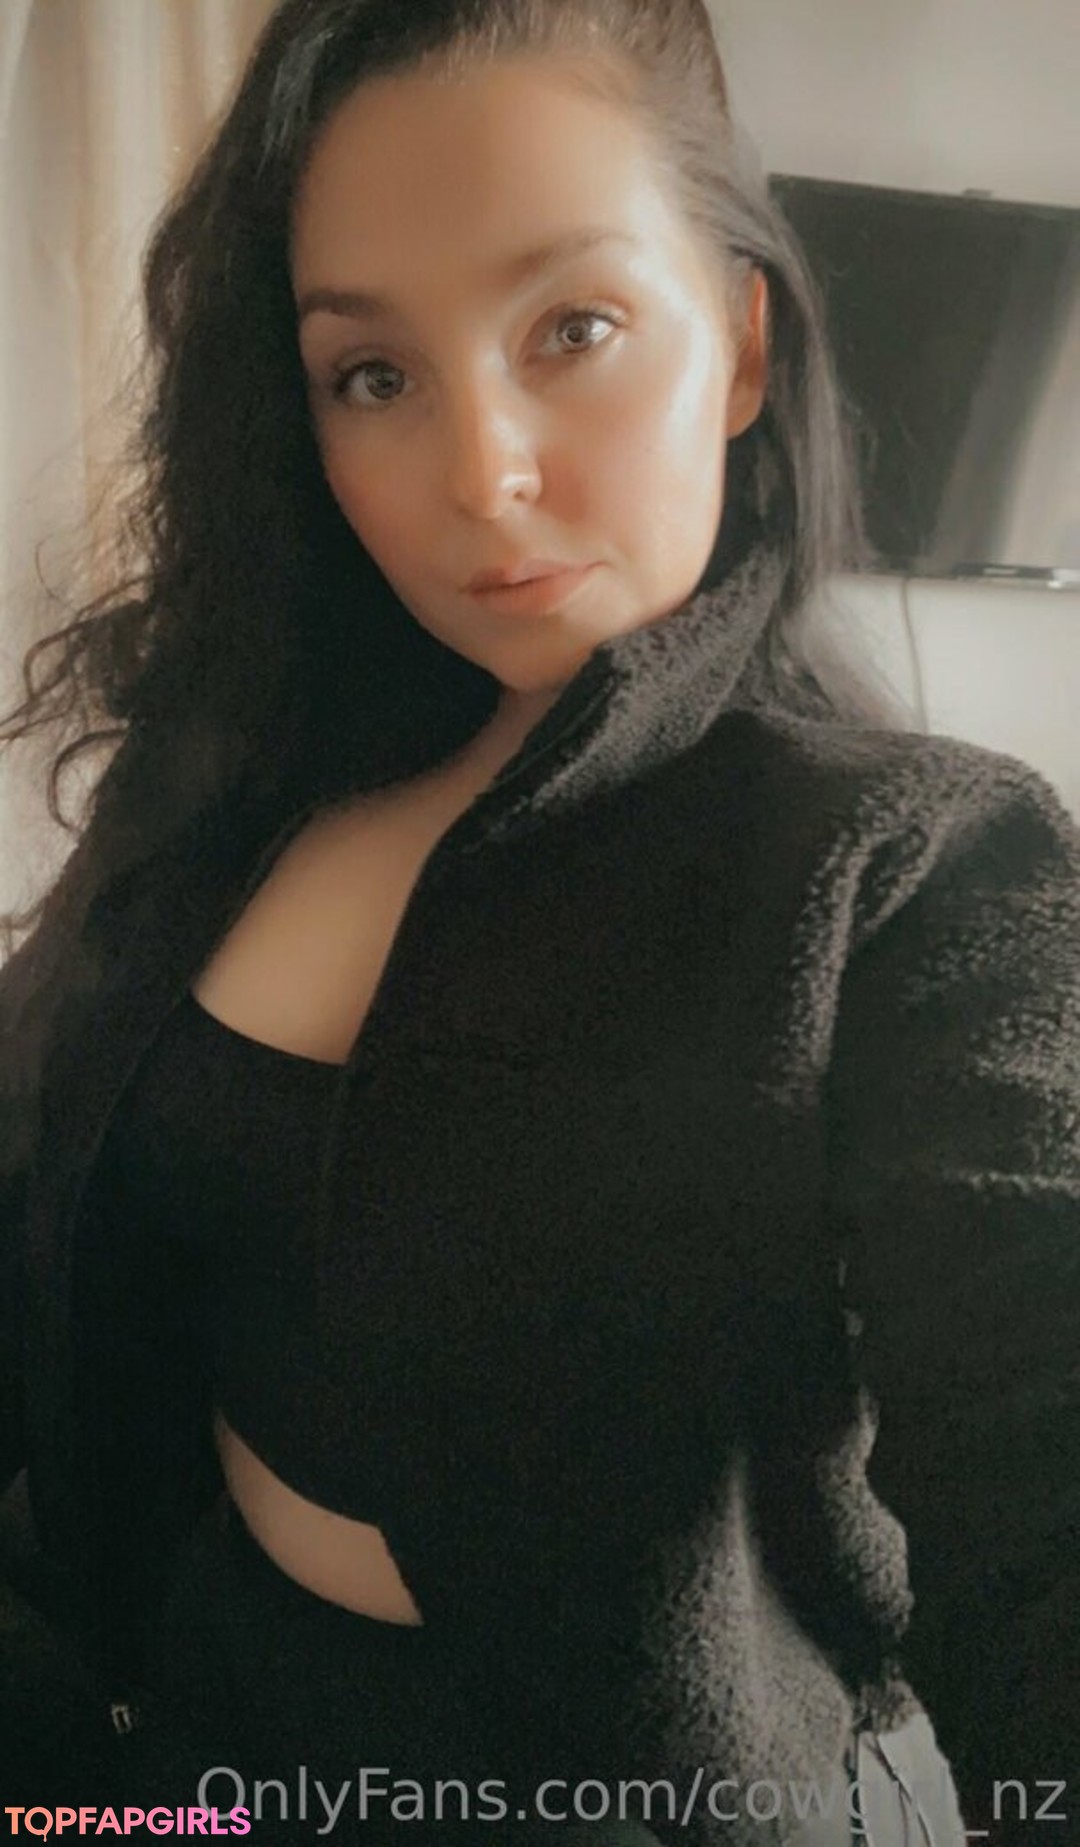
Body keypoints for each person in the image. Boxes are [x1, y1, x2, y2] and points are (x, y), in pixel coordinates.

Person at [0, 1, 1077, 1842]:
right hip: (199, 1738)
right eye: (372, 374)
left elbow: (1035, 1424)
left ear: (740, 342)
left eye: (573, 328)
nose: (481, 472)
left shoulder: (913, 865)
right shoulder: (235, 790)